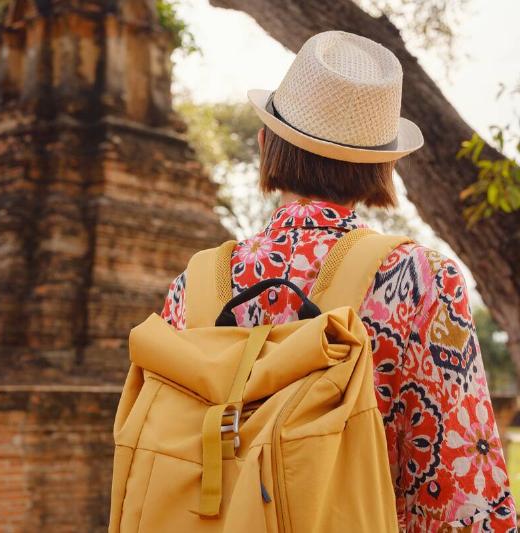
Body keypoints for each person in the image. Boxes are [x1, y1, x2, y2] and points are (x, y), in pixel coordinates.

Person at [161, 31, 516, 531]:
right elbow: (461, 493)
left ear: (265, 144)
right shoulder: (418, 279)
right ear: (384, 165)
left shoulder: (193, 285)